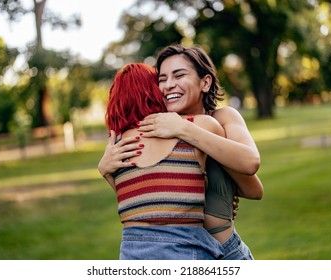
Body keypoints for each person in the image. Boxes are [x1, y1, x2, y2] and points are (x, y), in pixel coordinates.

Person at [98, 44, 263, 260]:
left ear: (205, 82)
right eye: (162, 79)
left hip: (220, 247)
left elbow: (253, 186)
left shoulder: (222, 118)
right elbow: (149, 201)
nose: (168, 85)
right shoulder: (158, 127)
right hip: (184, 246)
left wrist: (184, 129)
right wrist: (106, 170)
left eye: (179, 75)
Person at [102, 62, 227, 260]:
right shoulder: (197, 125)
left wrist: (106, 172)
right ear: (154, 90)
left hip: (131, 252)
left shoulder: (116, 147)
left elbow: (142, 205)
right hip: (185, 248)